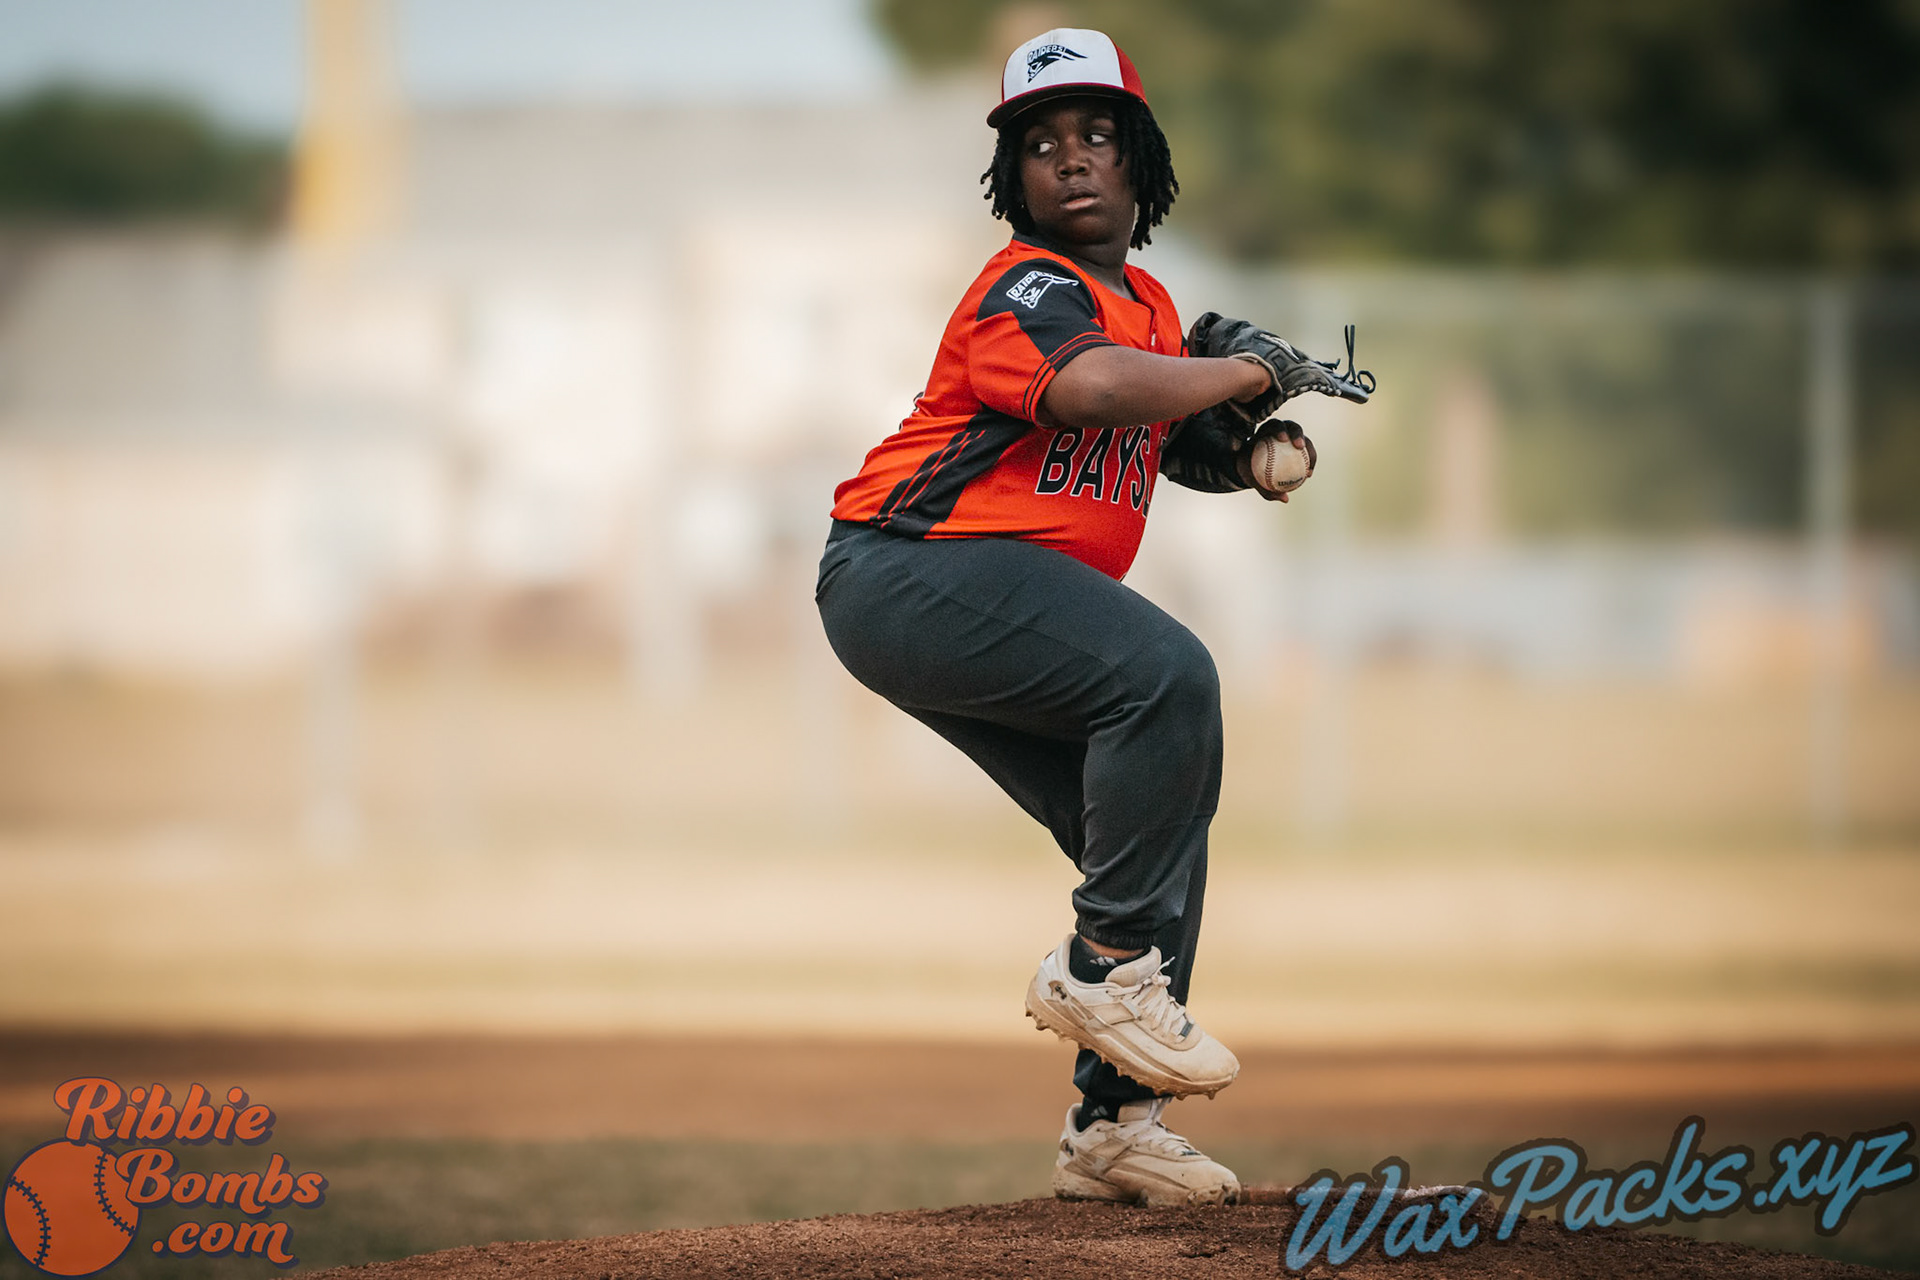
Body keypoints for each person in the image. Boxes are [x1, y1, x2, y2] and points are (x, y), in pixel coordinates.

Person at [814, 27, 1319, 1208]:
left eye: (1099, 134)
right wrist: (1245, 374)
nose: (1073, 158)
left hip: (979, 591)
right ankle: (1099, 969)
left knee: (1158, 820)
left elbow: (1153, 428)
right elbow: (1089, 389)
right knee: (1168, 676)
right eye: (1041, 145)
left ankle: (1113, 1125)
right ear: (1015, 182)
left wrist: (1248, 454)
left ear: (1140, 160)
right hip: (906, 565)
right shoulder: (1027, 287)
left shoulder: (1148, 304)